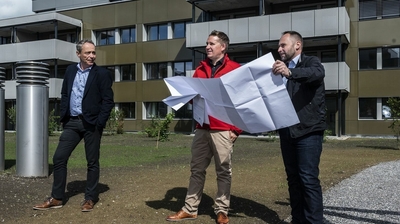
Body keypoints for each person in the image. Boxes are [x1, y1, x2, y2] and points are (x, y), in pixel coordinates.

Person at [166, 30, 241, 224]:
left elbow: (242, 102)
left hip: (223, 129)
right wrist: (185, 96)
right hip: (202, 128)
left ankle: (222, 210)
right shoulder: (199, 70)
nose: (207, 47)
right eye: (207, 43)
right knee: (196, 169)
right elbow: (196, 100)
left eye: (211, 43)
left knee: (223, 171)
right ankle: (190, 209)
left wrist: (236, 130)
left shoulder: (235, 69)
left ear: (223, 47)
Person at [33, 39, 114, 212]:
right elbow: (65, 93)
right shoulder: (70, 71)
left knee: (92, 162)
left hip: (91, 124)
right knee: (59, 158)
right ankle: (57, 198)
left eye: (93, 52)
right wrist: (64, 116)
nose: (92, 56)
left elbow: (108, 101)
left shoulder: (102, 74)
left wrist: (99, 123)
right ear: (78, 54)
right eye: (87, 53)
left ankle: (90, 198)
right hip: (72, 122)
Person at [272, 31, 326, 224]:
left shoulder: (311, 63)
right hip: (287, 131)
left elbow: (317, 74)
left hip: (309, 131)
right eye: (279, 46)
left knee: (308, 179)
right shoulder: (279, 69)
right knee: (293, 179)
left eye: (283, 45)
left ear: (297, 46)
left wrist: (291, 73)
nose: (279, 49)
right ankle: (298, 220)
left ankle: (314, 221)